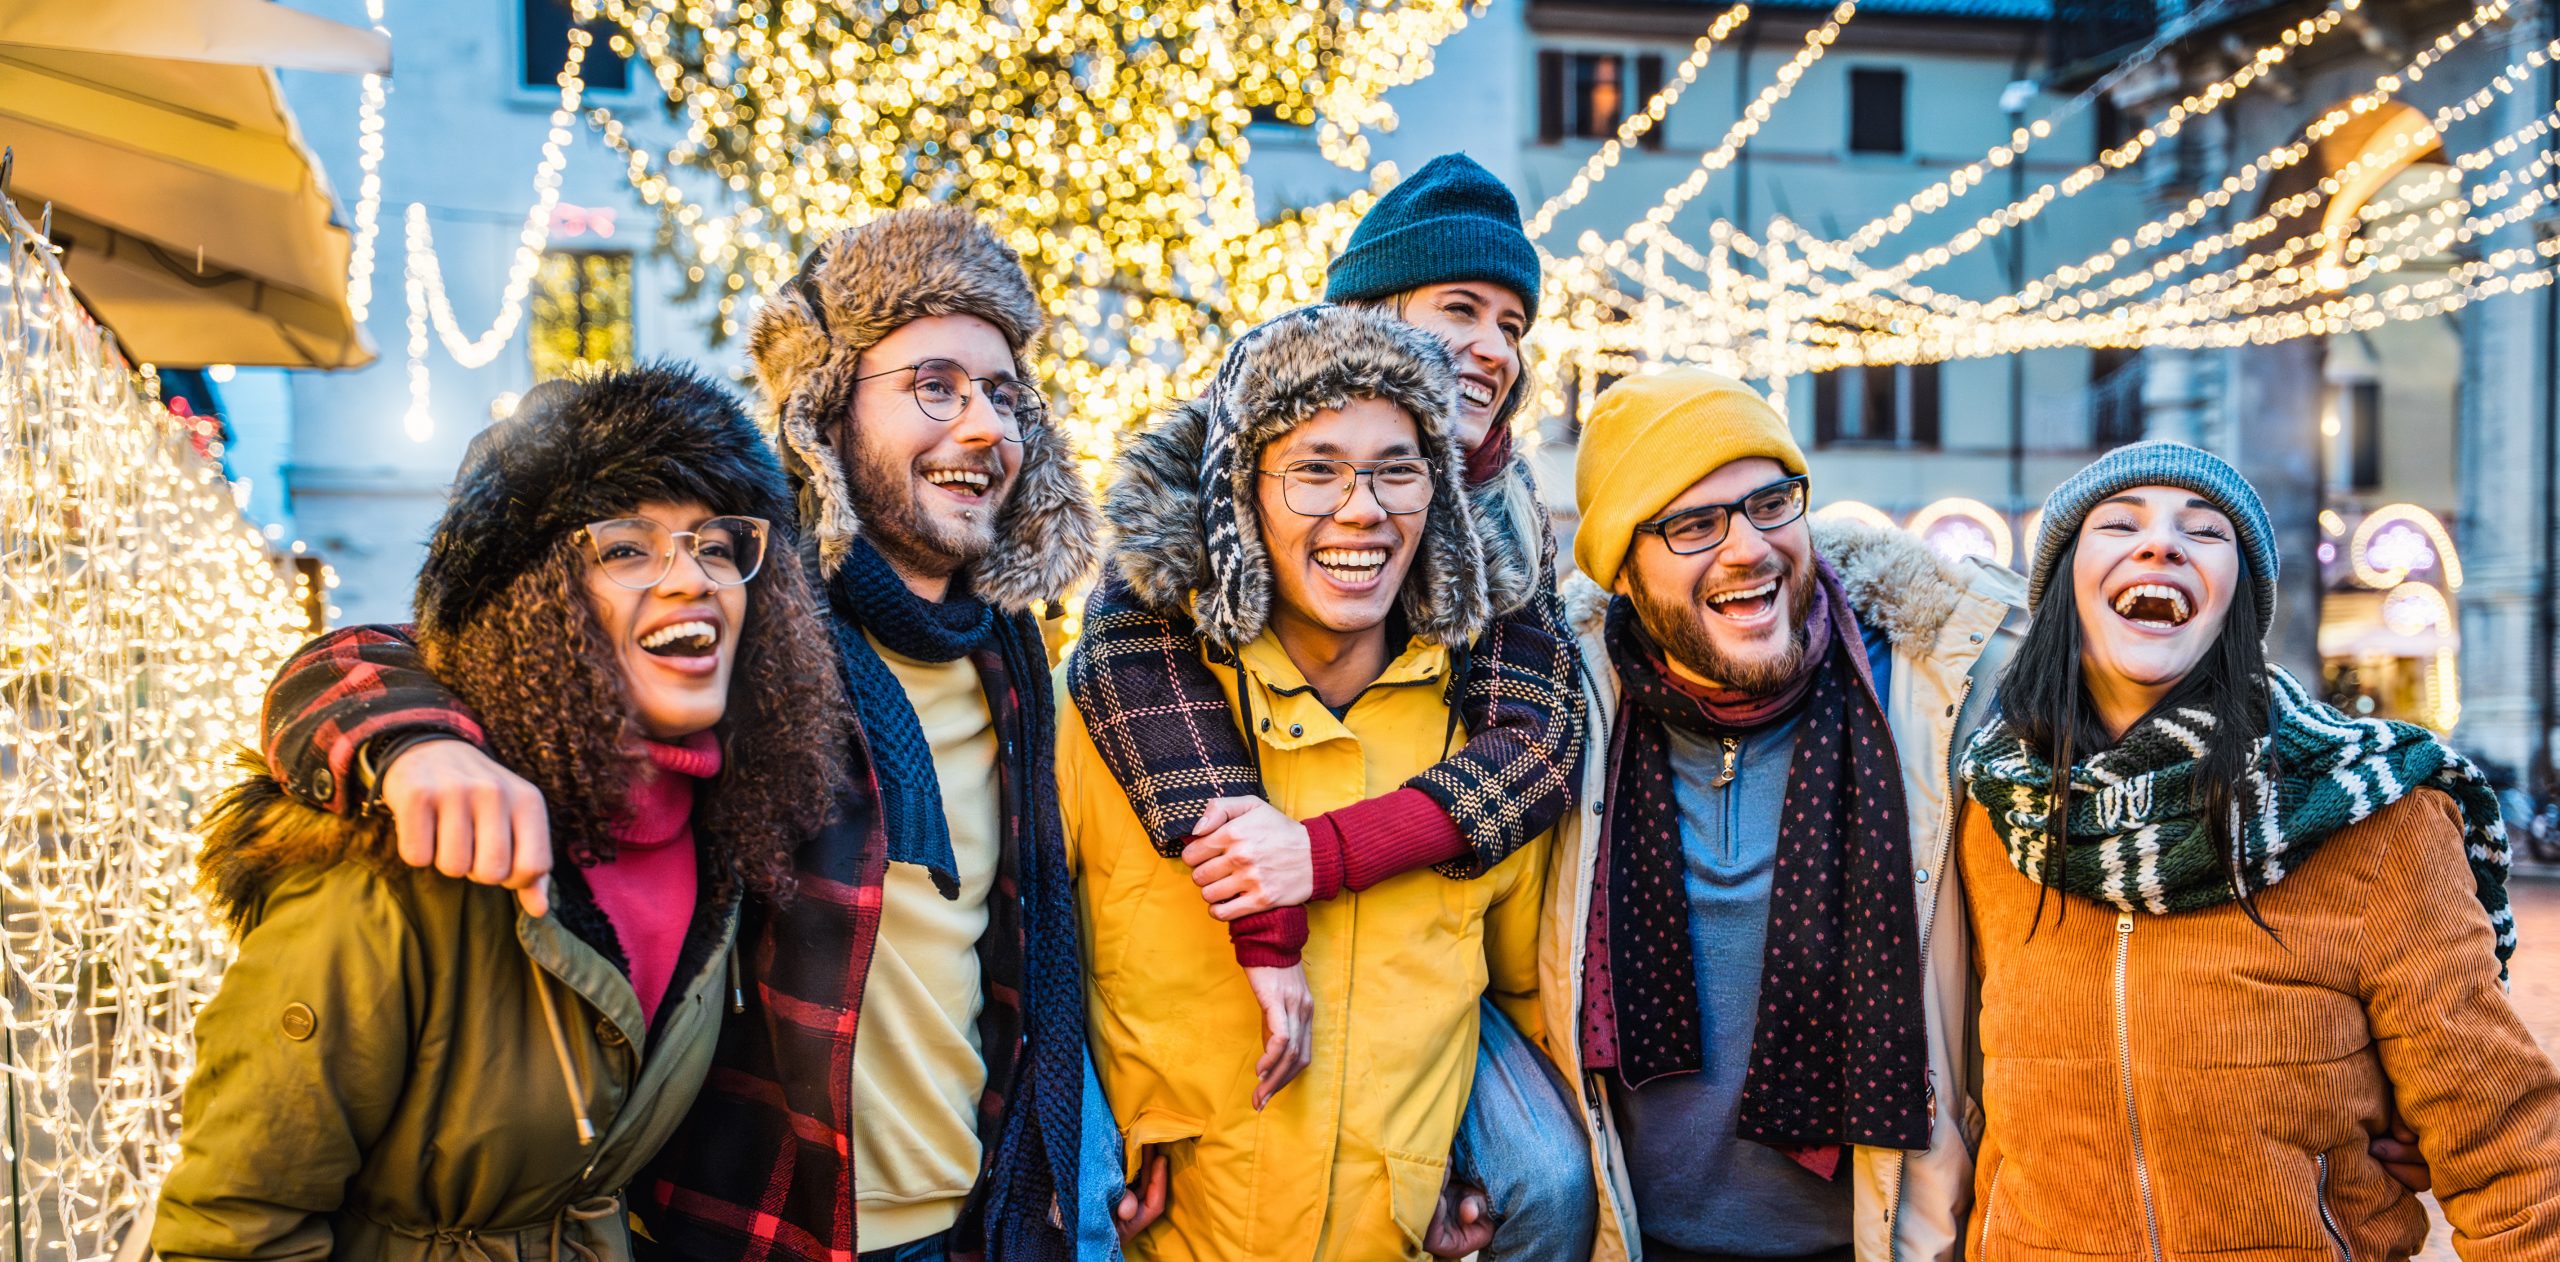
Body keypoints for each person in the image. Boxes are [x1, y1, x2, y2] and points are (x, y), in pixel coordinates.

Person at [241, 208, 1116, 1260]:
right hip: (757, 1225)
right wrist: (419, 745)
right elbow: (403, 652)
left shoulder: (1017, 664)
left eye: (1006, 394)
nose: (984, 427)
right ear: (826, 413)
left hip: (978, 1221)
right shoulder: (749, 618)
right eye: (935, 385)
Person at [154, 365, 845, 1260]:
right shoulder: (397, 853)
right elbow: (232, 1229)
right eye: (627, 549)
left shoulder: (734, 831)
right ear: (533, 602)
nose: (693, 578)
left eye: (717, 544)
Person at [1063, 151, 1590, 1259]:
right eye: (1461, 308)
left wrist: (1319, 854)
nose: (1493, 346)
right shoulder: (1196, 518)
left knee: (1543, 1174)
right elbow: (1127, 648)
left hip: (1381, 1164)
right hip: (1202, 1182)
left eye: (1512, 323)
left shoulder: (1500, 525)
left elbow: (1533, 746)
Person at [1954, 440, 2560, 1258]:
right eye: (2119, 524)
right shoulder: (1994, 815)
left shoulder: (2370, 816)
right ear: (2064, 583)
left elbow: (2509, 1154)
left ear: (2239, 599)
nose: (2160, 544)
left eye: (2206, 533)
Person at [1537, 368, 2023, 1262]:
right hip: (1633, 1241)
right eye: (1691, 524)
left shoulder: (1937, 691)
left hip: (1880, 1241)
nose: (1748, 548)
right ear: (1624, 574)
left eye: (1770, 502)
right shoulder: (1565, 717)